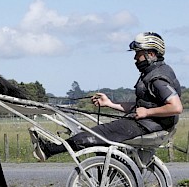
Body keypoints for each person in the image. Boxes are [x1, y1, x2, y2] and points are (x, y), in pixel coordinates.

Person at [33, 32, 183, 161]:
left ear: (151, 54)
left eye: (138, 53)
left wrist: (147, 113)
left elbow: (176, 107)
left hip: (148, 125)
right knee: (100, 142)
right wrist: (109, 103)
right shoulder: (153, 73)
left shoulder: (158, 79)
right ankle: (109, 183)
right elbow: (141, 107)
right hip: (148, 123)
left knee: (93, 135)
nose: (135, 58)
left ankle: (49, 150)